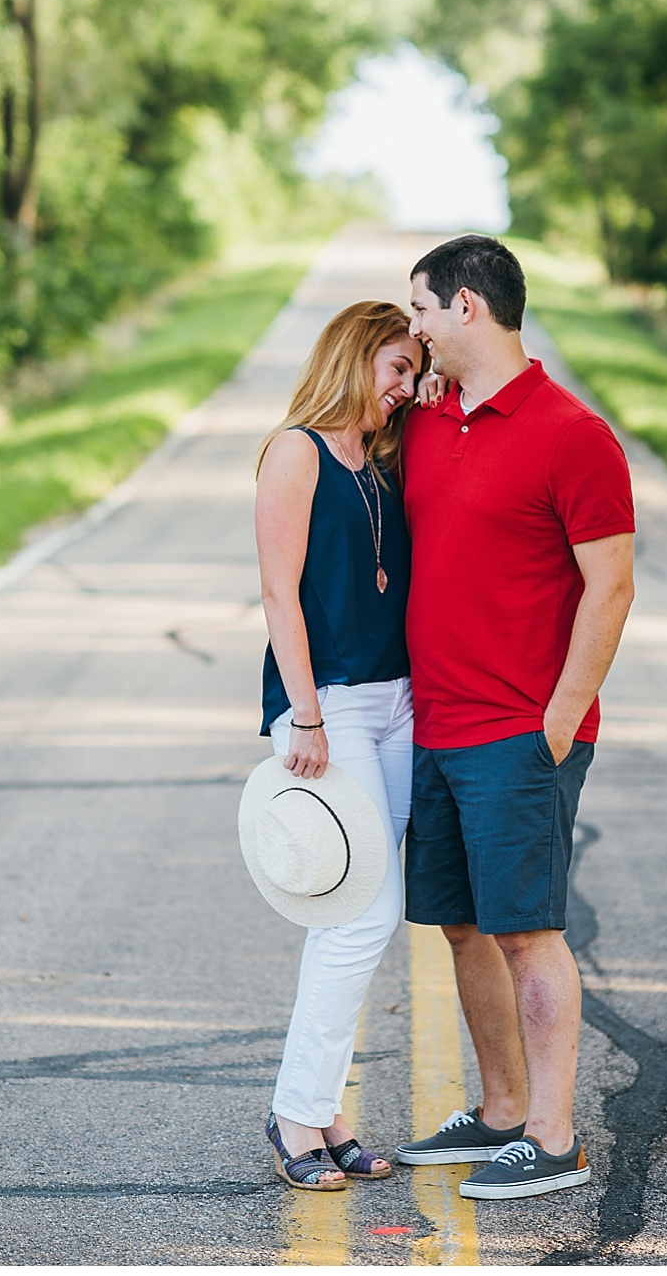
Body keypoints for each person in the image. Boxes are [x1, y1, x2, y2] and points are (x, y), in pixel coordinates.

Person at [389, 234, 637, 1201]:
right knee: (460, 925)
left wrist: (561, 718)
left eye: (420, 308)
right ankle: (498, 1111)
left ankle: (554, 1136)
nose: (414, 327)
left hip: (519, 731)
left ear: (466, 307)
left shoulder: (573, 433)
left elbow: (609, 587)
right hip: (437, 724)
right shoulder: (428, 423)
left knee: (529, 931)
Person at [254, 300, 424, 1190]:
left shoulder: (384, 460)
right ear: (356, 357)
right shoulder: (297, 451)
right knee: (364, 912)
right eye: (395, 368)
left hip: (397, 702)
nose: (404, 388)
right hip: (333, 707)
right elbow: (280, 594)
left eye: (413, 373)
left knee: (355, 915)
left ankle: (327, 1112)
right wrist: (308, 715)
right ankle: (294, 1113)